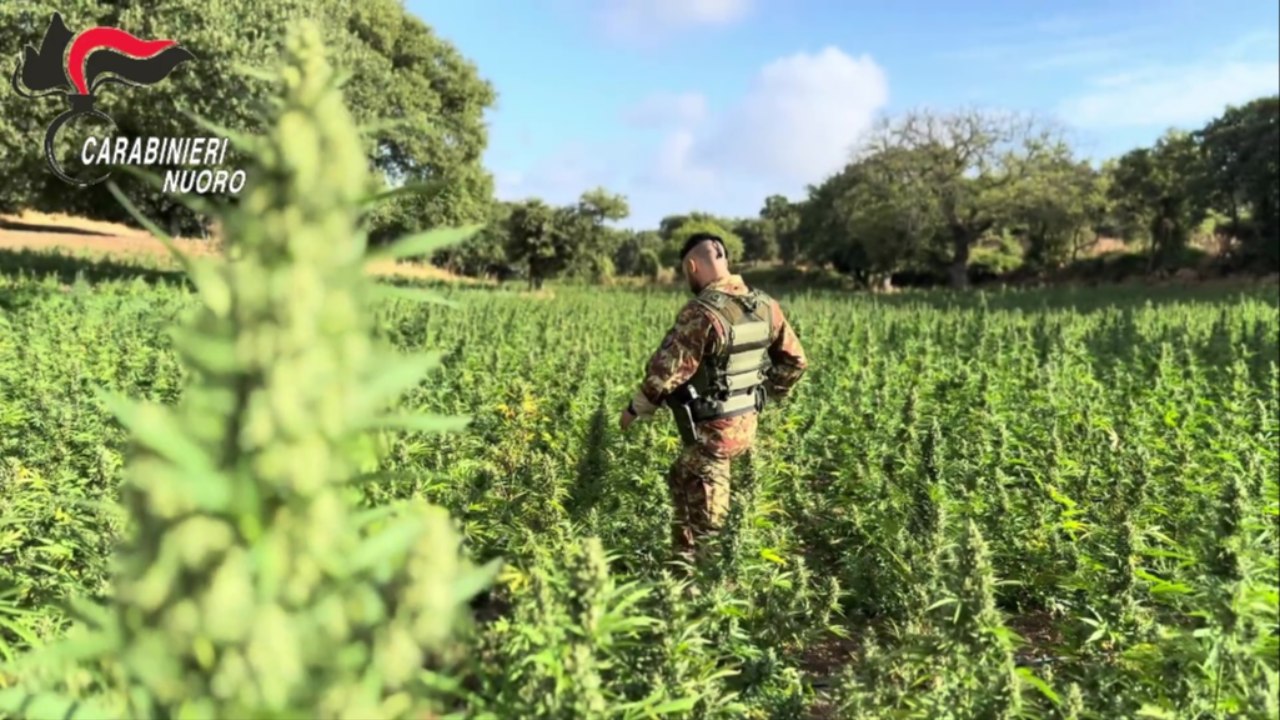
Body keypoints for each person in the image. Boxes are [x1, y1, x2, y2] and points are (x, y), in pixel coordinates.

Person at [619, 232, 807, 570]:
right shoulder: (766, 305)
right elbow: (795, 361)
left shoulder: (702, 312)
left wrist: (635, 411)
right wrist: (766, 394)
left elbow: (666, 371)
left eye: (685, 271)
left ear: (693, 265)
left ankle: (710, 588)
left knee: (712, 525)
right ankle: (681, 566)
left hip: (713, 435)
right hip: (745, 426)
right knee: (680, 477)